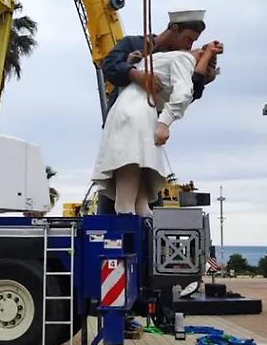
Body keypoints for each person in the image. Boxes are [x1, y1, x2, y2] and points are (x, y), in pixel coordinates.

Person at [91, 44, 220, 216]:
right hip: (135, 115)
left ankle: (142, 230)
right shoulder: (184, 59)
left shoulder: (158, 60)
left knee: (141, 199)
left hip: (136, 113)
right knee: (127, 194)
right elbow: (184, 93)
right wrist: (164, 123)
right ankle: (128, 233)